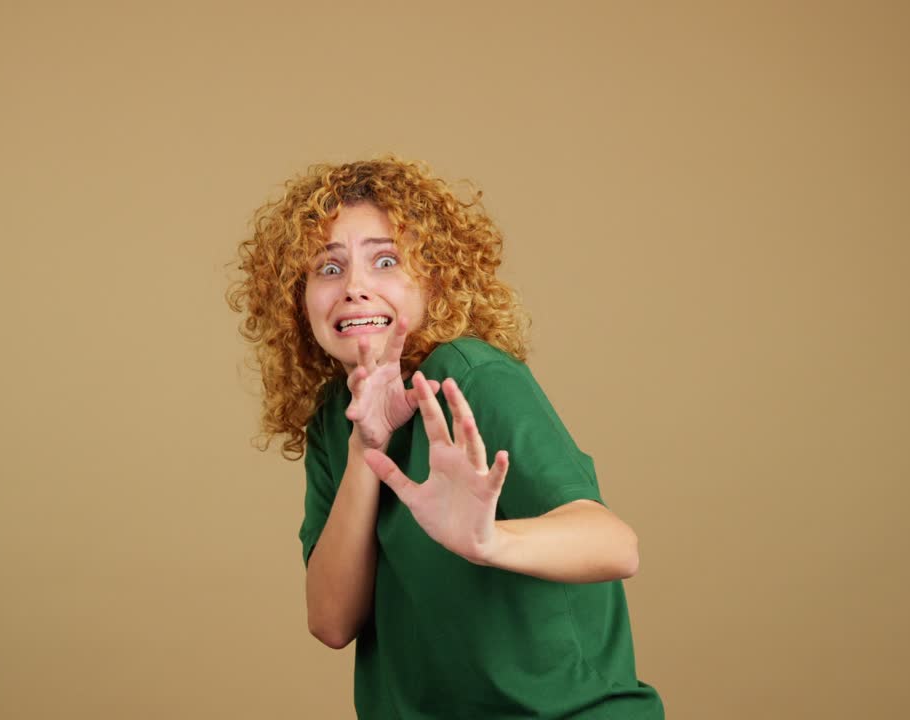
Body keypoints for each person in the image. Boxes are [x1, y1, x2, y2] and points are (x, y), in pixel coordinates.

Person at [228, 156, 665, 719]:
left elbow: (615, 546)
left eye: (385, 261)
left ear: (435, 280)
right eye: (328, 269)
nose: (355, 288)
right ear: (298, 298)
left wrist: (490, 543)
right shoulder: (334, 420)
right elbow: (332, 622)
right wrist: (367, 449)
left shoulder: (470, 376)